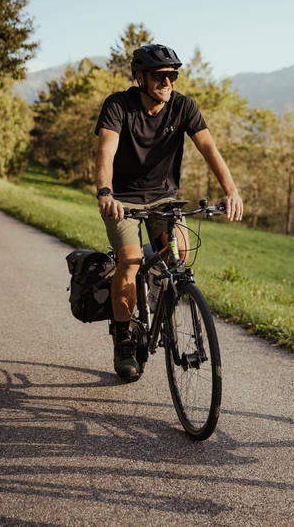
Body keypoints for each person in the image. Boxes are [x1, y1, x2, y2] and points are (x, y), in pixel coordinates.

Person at [95, 43, 244, 379]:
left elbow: (209, 148)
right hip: (123, 200)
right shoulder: (119, 106)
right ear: (140, 77)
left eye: (173, 75)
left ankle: (154, 284)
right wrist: (105, 192)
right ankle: (123, 340)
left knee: (181, 252)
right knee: (130, 260)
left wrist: (230, 191)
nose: (168, 82)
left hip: (164, 198)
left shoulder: (183, 107)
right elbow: (106, 151)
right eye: (160, 76)